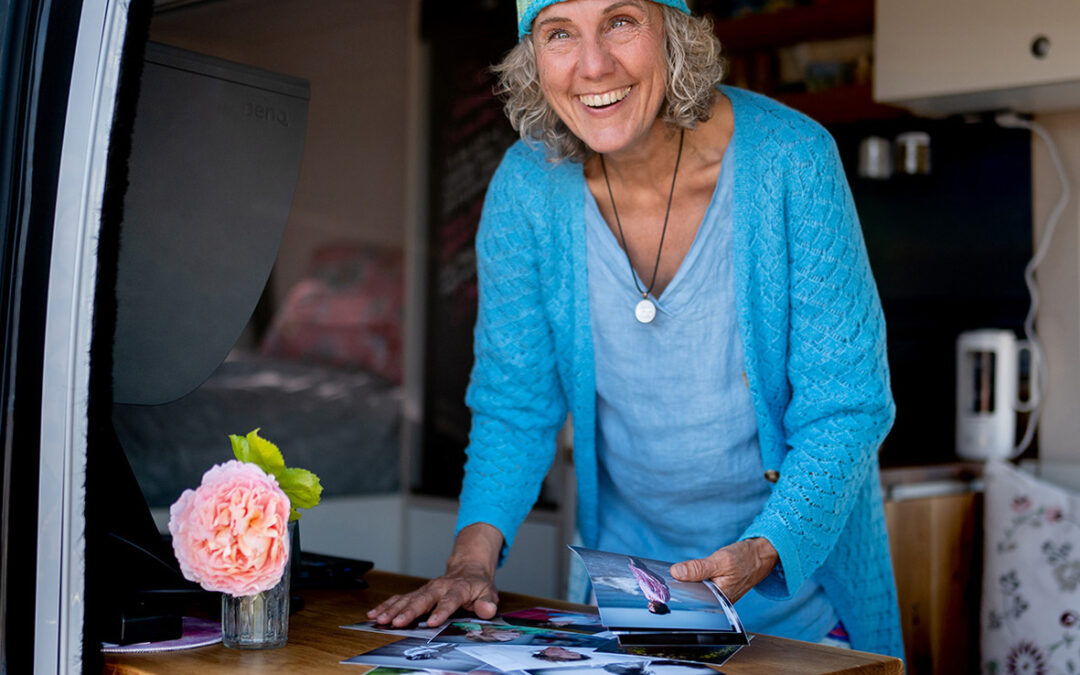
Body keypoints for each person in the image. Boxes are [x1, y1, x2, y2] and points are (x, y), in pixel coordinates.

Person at [370, 0, 902, 658]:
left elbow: (847, 406)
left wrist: (765, 550)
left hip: (801, 599)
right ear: (533, 57)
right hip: (630, 604)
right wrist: (470, 560)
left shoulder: (793, 160)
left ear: (672, 29)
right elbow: (515, 403)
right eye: (559, 32)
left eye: (620, 20)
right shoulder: (527, 188)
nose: (593, 65)